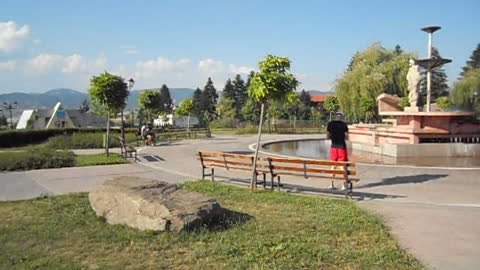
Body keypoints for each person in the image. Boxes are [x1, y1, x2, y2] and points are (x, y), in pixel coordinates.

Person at [326, 112, 349, 190]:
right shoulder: (344, 125)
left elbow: (327, 136)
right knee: (343, 166)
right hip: (342, 147)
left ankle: (331, 184)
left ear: (335, 116)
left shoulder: (330, 124)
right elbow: (346, 137)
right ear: (342, 117)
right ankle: (344, 185)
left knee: (333, 166)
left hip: (333, 147)